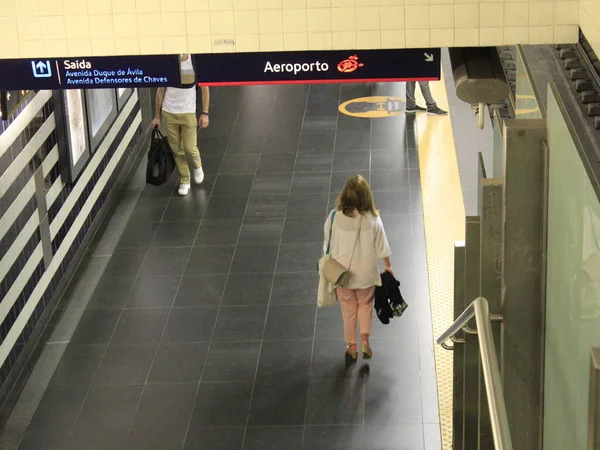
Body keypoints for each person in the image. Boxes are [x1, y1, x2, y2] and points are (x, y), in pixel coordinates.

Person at [323, 175, 393, 360]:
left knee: (348, 309)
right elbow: (382, 247)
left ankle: (351, 347)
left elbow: (326, 246)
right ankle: (364, 341)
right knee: (365, 305)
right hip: (366, 276)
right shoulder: (373, 220)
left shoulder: (333, 218)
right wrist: (388, 266)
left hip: (342, 276)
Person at [151, 54, 210, 196]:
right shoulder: (168, 63)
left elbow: (205, 88)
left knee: (189, 147)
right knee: (177, 150)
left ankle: (197, 165)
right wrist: (157, 116)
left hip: (188, 113)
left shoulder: (195, 62)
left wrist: (205, 113)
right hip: (169, 113)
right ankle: (185, 179)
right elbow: (160, 91)